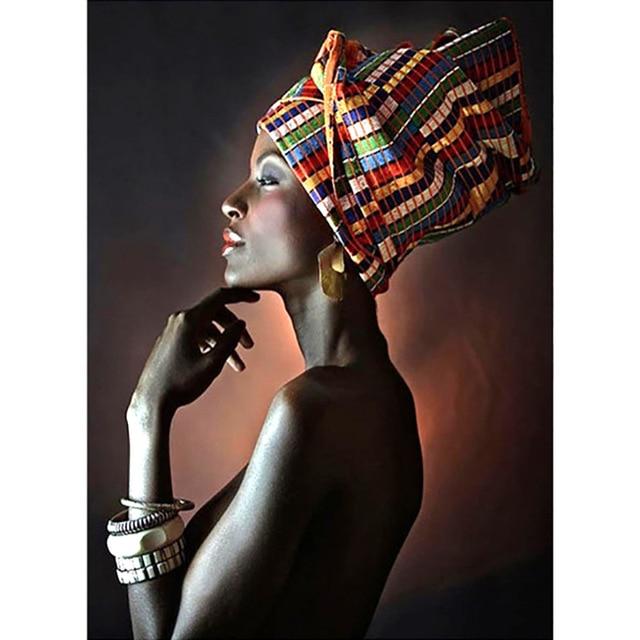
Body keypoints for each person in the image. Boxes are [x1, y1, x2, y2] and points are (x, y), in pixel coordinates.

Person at [108, 16, 538, 638]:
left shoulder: (313, 412)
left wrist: (147, 413)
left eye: (268, 179)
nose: (233, 202)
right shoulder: (375, 399)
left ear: (343, 225)